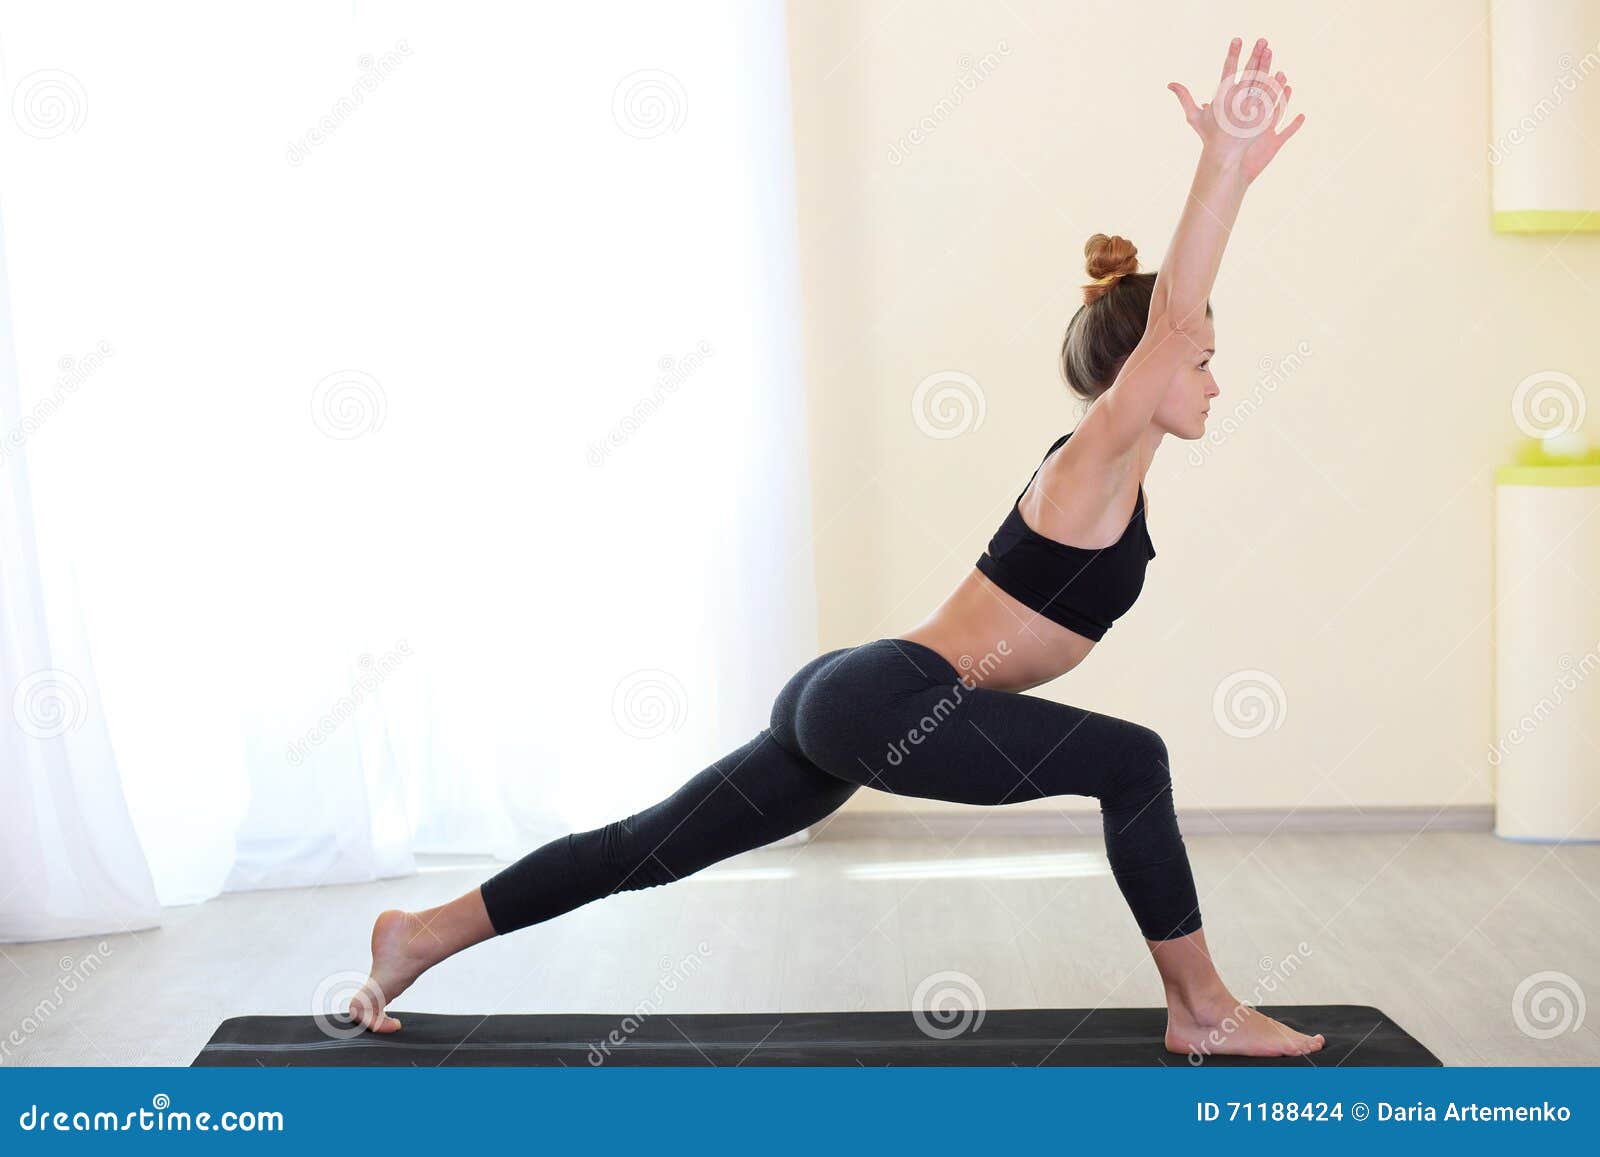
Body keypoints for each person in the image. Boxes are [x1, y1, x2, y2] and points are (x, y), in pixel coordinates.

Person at [350, 36, 1320, 1058]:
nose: (1214, 379)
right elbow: (1171, 319)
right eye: (1203, 360)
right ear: (1142, 370)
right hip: (889, 700)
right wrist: (1222, 163)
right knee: (1135, 761)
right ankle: (1201, 1005)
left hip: (855, 695)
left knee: (655, 846)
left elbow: (1170, 328)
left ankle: (422, 931)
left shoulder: (1119, 472)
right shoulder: (1090, 460)